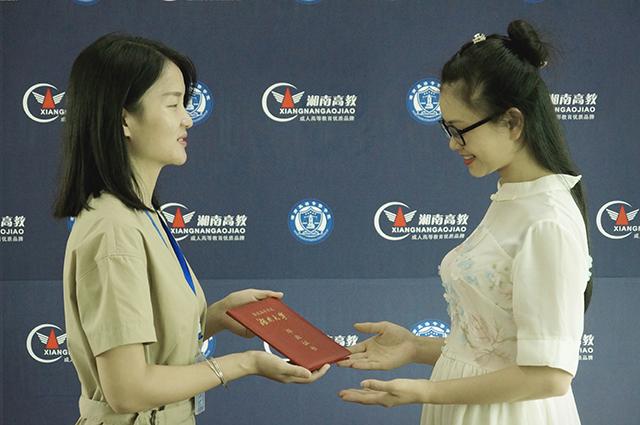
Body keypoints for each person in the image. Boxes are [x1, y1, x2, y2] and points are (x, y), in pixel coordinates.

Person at [53, 33, 328, 425]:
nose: (188, 118)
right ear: (124, 118)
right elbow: (128, 388)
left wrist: (217, 315)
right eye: (173, 104)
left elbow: (150, 342)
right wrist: (245, 363)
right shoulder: (114, 229)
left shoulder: (140, 215)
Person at [338, 20, 592, 425]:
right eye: (447, 129)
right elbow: (493, 348)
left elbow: (549, 376)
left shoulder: (547, 220)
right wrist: (414, 347)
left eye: (460, 130)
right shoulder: (514, 198)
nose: (453, 144)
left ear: (513, 122)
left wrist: (425, 391)